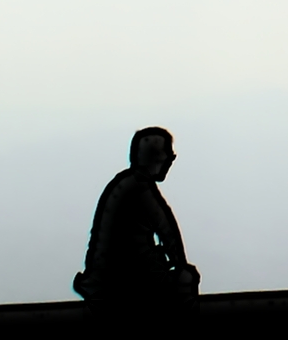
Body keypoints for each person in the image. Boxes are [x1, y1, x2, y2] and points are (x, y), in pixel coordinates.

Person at [74, 127, 200, 310]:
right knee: (186, 279)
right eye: (168, 155)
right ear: (155, 158)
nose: (170, 161)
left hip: (108, 278)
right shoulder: (141, 188)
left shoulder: (124, 184)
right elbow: (167, 231)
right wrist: (180, 267)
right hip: (126, 280)